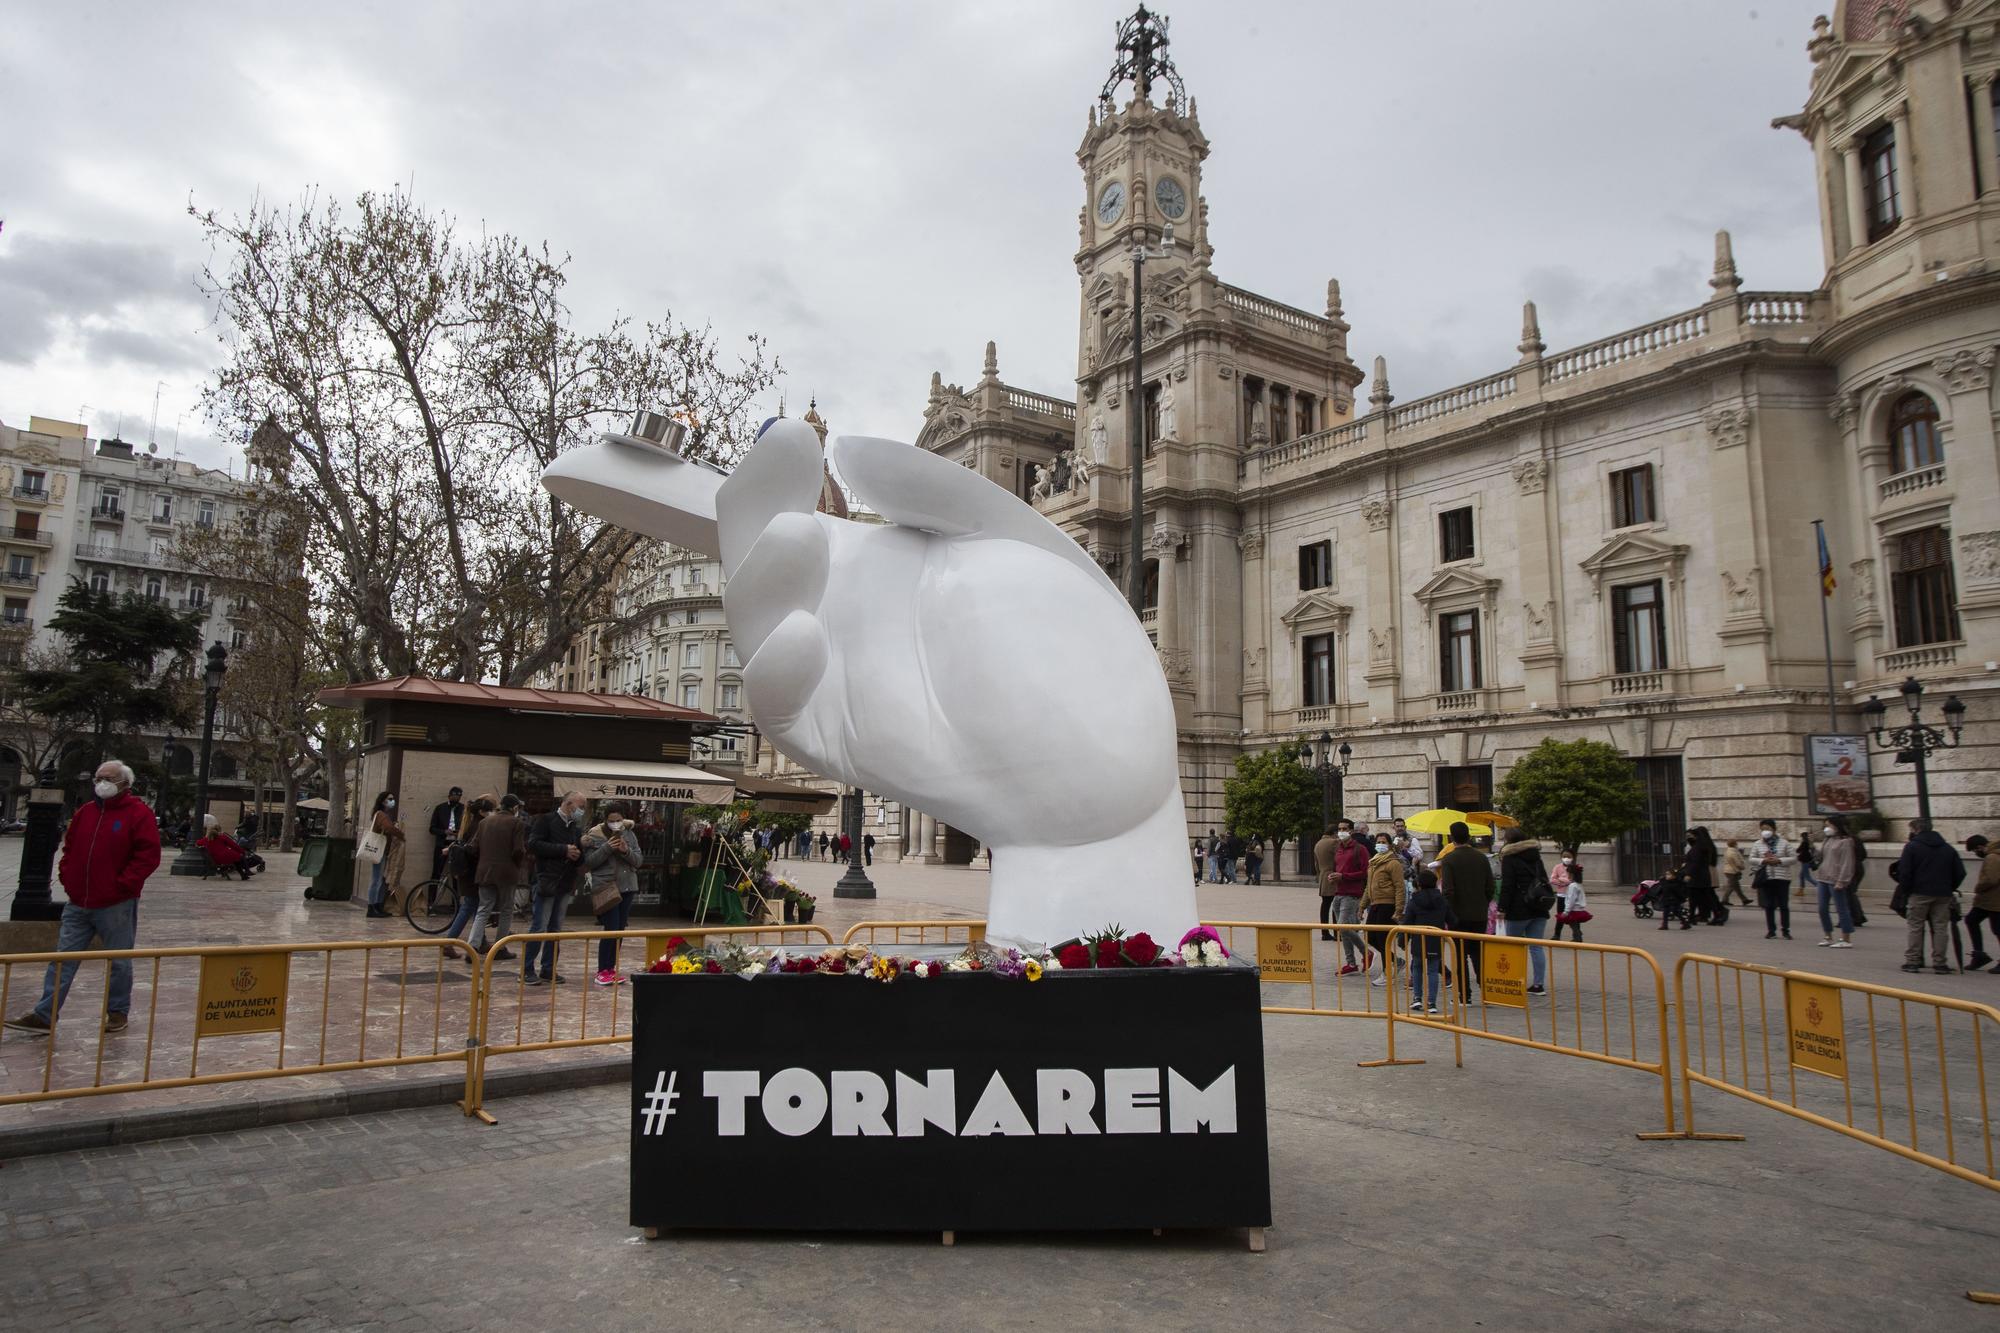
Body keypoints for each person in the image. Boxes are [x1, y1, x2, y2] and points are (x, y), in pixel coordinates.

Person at [5, 760, 161, 1036]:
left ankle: (117, 1012)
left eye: (108, 778)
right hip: (78, 901)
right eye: (99, 777)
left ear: (125, 784)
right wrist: (68, 879)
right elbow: (70, 848)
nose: (101, 783)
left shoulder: (139, 814)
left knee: (119, 961)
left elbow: (147, 856)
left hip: (116, 903)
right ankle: (44, 1015)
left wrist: (122, 886)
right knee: (62, 959)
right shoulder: (86, 812)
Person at [523, 791, 586, 985]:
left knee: (555, 927)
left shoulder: (575, 828)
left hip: (565, 882)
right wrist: (563, 850)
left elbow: (577, 855)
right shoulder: (546, 820)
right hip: (547, 880)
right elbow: (533, 844)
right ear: (568, 804)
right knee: (539, 926)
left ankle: (548, 967)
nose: (582, 811)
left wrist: (579, 853)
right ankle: (527, 969)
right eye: (580, 807)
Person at [1895, 817, 1966, 975]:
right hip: (1943, 893)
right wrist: (1950, 887)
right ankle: (1940, 963)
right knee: (1940, 928)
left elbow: (1905, 872)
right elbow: (1960, 872)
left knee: (1915, 926)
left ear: (1916, 829)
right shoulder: (1947, 848)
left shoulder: (1912, 847)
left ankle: (1913, 960)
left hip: (1919, 892)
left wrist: (1906, 890)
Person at [581, 804, 642, 986]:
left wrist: (625, 851)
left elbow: (638, 860)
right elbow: (590, 862)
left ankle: (611, 968)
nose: (615, 824)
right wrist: (607, 847)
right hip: (606, 886)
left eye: (618, 820)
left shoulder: (629, 833)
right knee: (611, 928)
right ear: (605, 820)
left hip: (627, 886)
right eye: (611, 821)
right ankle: (602, 969)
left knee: (620, 929)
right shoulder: (595, 835)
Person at [469, 793, 528, 961]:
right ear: (515, 808)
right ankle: (499, 947)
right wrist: (516, 865)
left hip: (485, 871)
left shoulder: (484, 822)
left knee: (483, 909)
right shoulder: (517, 823)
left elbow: (474, 846)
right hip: (507, 872)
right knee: (506, 910)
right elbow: (518, 850)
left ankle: (472, 946)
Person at [1437, 821, 1490, 1003]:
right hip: (1479, 914)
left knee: (1460, 956)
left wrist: (1448, 913)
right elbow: (1490, 887)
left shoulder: (1449, 859)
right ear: (1469, 836)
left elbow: (1448, 890)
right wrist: (1482, 902)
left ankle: (1464, 995)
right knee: (1478, 954)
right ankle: (1486, 992)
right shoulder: (1481, 858)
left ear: (1452, 838)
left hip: (1458, 915)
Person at [1496, 827, 1553, 994]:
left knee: (1512, 945)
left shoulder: (1509, 858)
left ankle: (1513, 980)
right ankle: (1538, 984)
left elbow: (1508, 886)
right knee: (1536, 947)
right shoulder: (1536, 856)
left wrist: (1502, 908)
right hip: (1539, 906)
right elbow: (1543, 879)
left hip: (1518, 909)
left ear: (1509, 840)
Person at [1399, 867, 1451, 1014]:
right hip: (1435, 939)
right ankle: (1432, 1002)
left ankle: (1417, 998)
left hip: (1418, 938)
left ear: (1419, 884)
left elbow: (1407, 921)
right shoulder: (1442, 900)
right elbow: (1451, 919)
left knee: (1417, 967)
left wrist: (1403, 939)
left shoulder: (1414, 901)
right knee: (1433, 971)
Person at [443, 794, 494, 945]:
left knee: (478, 908)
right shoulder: (479, 826)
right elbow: (474, 850)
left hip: (468, 872)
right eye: (490, 811)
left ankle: (481, 940)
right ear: (482, 812)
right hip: (472, 873)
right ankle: (449, 942)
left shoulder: (470, 823)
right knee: (470, 907)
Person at [1361, 832, 1404, 987]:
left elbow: (1400, 887)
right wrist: (1362, 906)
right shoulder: (1373, 862)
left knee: (1382, 939)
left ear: (1389, 844)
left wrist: (1399, 909)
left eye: (1383, 842)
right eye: (1378, 841)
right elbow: (1368, 886)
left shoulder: (1393, 863)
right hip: (1375, 904)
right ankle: (1396, 961)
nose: (1380, 844)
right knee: (1371, 937)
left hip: (1387, 904)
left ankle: (1387, 973)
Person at [1813, 815, 1859, 949]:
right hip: (1823, 877)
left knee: (1841, 908)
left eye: (1829, 825)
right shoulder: (1827, 840)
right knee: (1822, 909)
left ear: (1837, 826)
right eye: (1825, 826)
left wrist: (1842, 880)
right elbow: (1820, 857)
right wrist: (1812, 846)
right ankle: (1827, 935)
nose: (1826, 828)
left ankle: (1846, 937)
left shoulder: (1846, 841)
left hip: (1835, 879)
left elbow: (1847, 862)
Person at [1331, 819, 1370, 974]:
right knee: (1342, 930)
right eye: (1339, 828)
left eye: (1345, 828)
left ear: (1352, 831)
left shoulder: (1360, 849)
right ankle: (1351, 963)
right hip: (1339, 892)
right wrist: (1334, 876)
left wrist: (1344, 876)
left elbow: (1364, 872)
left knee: (1343, 926)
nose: (1341, 831)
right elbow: (1338, 868)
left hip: (1352, 894)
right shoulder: (1339, 848)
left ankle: (1366, 952)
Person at [364, 791, 405, 920]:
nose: (392, 801)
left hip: (381, 851)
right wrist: (400, 834)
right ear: (383, 801)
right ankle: (372, 907)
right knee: (376, 880)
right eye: (390, 799)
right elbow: (388, 828)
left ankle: (377, 906)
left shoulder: (382, 814)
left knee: (380, 880)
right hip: (379, 851)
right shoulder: (381, 814)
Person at [1750, 819, 1794, 940]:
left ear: (1774, 829)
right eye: (1763, 829)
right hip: (1767, 878)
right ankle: (1771, 930)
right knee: (1769, 905)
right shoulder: (1758, 844)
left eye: (1768, 829)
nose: (1765, 831)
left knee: (1783, 905)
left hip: (1782, 878)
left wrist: (1779, 860)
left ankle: (1786, 930)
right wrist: (1763, 861)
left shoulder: (1784, 843)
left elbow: (1793, 858)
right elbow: (1752, 858)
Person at [1964, 835, 2000, 973]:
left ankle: (1979, 955)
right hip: (1988, 900)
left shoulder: (1992, 857)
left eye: (1974, 850)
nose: (1976, 853)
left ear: (1980, 847)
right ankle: (1979, 955)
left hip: (1993, 899)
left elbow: (1990, 879)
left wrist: (1978, 887)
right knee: (1972, 920)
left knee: (1997, 929)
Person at [197, 813, 264, 879]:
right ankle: (246, 871)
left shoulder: (205, 839)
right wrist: (242, 851)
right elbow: (233, 845)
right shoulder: (222, 837)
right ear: (219, 830)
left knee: (236, 858)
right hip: (223, 858)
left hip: (213, 859)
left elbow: (198, 843)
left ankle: (244, 875)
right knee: (240, 857)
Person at [1685, 827, 1721, 925]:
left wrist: (1689, 874)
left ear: (1696, 836)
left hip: (1696, 876)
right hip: (1704, 875)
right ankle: (1717, 916)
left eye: (1690, 835)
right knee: (1707, 897)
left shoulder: (1697, 848)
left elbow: (1695, 862)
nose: (1689, 837)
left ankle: (1692, 917)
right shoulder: (1703, 846)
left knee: (1693, 898)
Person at [428, 787, 465, 881]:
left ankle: (455, 895)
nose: (456, 798)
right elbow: (432, 829)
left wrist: (459, 833)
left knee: (456, 874)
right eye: (454, 796)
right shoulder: (440, 808)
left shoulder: (463, 809)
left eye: (458, 797)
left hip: (457, 844)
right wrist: (444, 831)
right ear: (449, 796)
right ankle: (432, 895)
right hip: (442, 843)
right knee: (436, 872)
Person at [1552, 849, 1589, 941]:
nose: (1566, 858)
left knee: (1573, 918)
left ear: (1573, 857)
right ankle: (1557, 934)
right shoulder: (1557, 867)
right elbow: (1553, 879)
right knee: (1561, 916)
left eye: (1569, 857)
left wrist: (1562, 879)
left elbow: (1576, 881)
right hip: (1562, 895)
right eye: (1564, 856)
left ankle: (1577, 936)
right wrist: (1563, 882)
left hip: (1571, 898)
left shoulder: (1576, 869)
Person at [1311, 823, 1340, 940]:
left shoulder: (1318, 843)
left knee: (1325, 904)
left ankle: (1324, 932)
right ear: (1334, 833)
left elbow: (1316, 863)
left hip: (1323, 875)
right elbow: (1338, 859)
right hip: (1332, 875)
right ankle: (1337, 932)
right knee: (1335, 904)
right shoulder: (1334, 842)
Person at [1720, 838, 1750, 907]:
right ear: (1734, 844)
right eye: (1736, 843)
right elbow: (1738, 863)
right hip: (1733, 871)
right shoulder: (1733, 852)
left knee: (1735, 886)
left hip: (1728, 870)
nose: (1737, 845)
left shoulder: (1728, 851)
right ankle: (1724, 900)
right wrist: (1741, 867)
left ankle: (1744, 899)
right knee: (1732, 887)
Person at [1795, 829, 1819, 901]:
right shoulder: (1809, 843)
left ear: (1802, 837)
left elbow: (1798, 850)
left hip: (1805, 861)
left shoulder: (1804, 843)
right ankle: (1801, 890)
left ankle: (1820, 886)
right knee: (1801, 876)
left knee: (1807, 877)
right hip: (1807, 861)